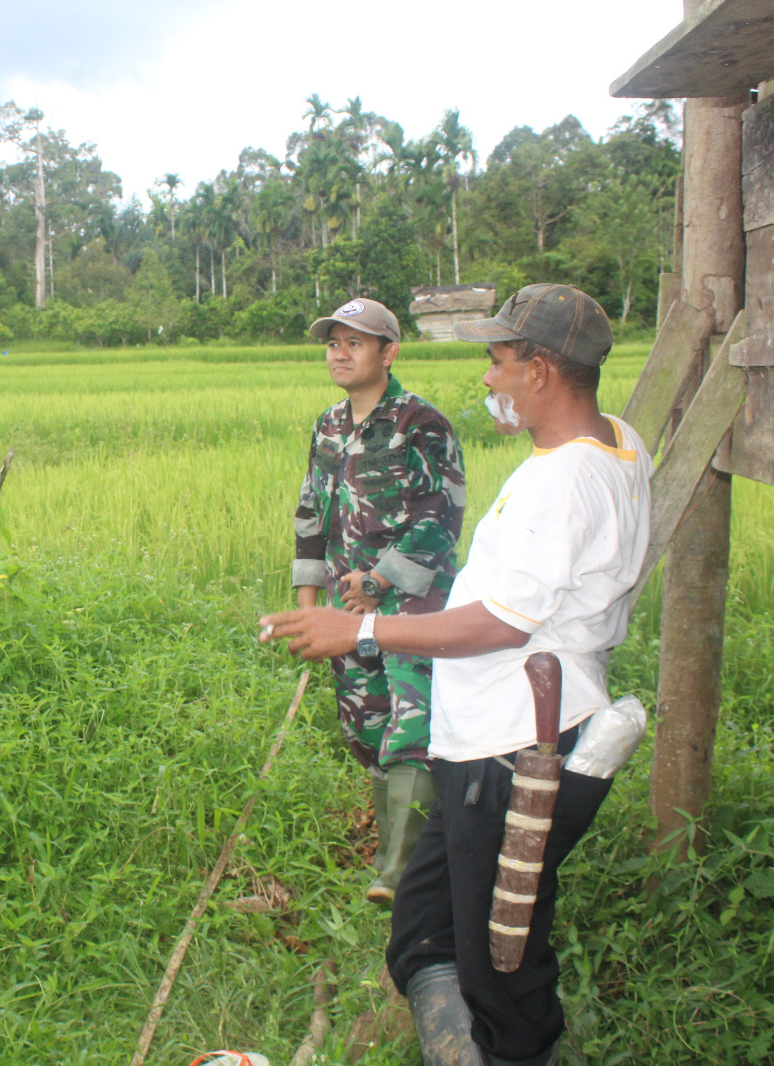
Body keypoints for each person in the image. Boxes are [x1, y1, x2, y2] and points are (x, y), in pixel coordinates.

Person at [262, 284, 650, 1066]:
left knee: (501, 958)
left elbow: (501, 621)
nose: (488, 378)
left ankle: (510, 1052)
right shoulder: (616, 442)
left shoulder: (563, 479)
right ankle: (454, 1042)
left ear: (541, 370)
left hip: (514, 750)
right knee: (423, 931)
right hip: (480, 744)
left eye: (500, 361)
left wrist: (360, 627)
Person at [294, 297, 465, 903]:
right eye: (333, 342)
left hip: (410, 607)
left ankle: (403, 874)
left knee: (410, 724)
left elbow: (442, 516)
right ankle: (391, 852)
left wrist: (379, 582)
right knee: (363, 723)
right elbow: (312, 509)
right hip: (344, 606)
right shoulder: (328, 425)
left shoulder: (422, 423)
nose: (339, 353)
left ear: (388, 353)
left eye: (354, 343)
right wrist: (310, 601)